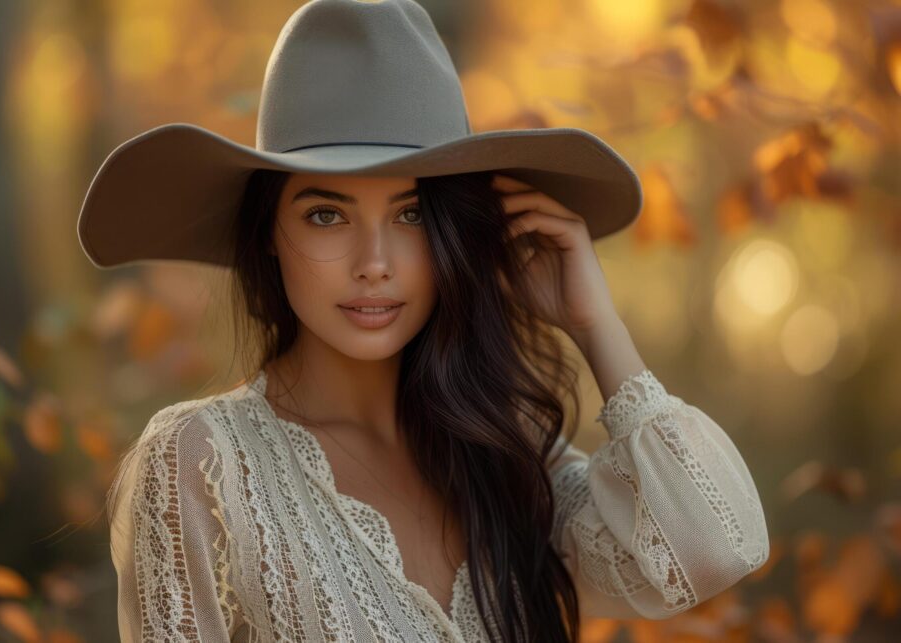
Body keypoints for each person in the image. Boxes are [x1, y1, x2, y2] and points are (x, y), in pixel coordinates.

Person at [78, 1, 771, 641]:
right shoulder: (200, 462)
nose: (374, 262)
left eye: (411, 216)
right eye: (327, 214)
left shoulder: (504, 453)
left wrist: (594, 323)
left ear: (450, 233)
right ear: (267, 231)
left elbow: (714, 550)